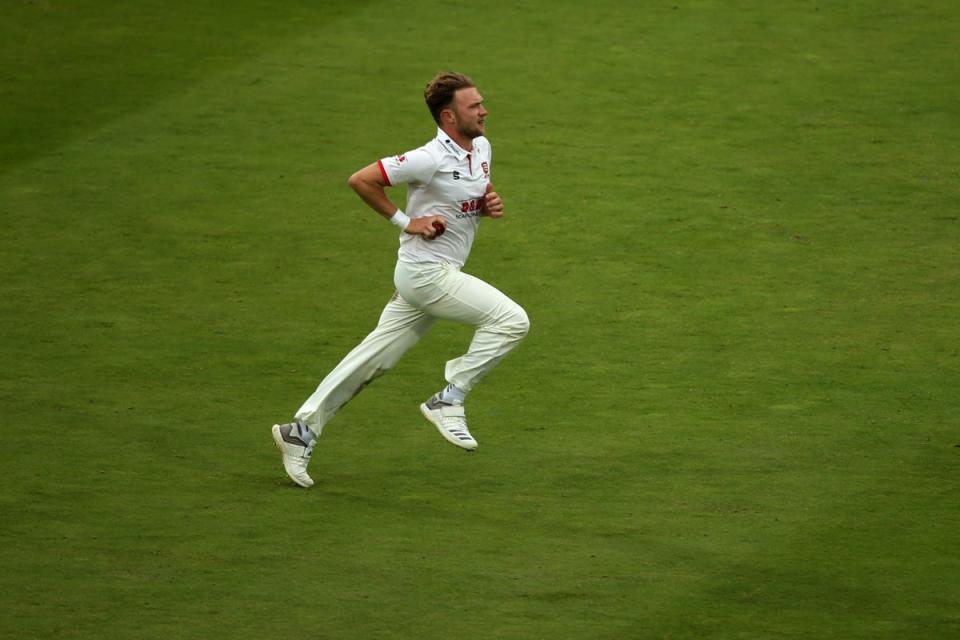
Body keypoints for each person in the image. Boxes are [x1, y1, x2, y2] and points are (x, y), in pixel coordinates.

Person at [272, 71, 530, 488]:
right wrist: (406, 221)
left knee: (371, 359)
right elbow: (361, 179)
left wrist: (485, 205)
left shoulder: (481, 146)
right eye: (474, 105)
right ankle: (450, 397)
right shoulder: (428, 158)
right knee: (511, 320)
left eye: (481, 102)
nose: (484, 110)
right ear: (449, 116)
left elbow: (469, 193)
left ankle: (299, 432)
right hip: (425, 274)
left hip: (435, 273)